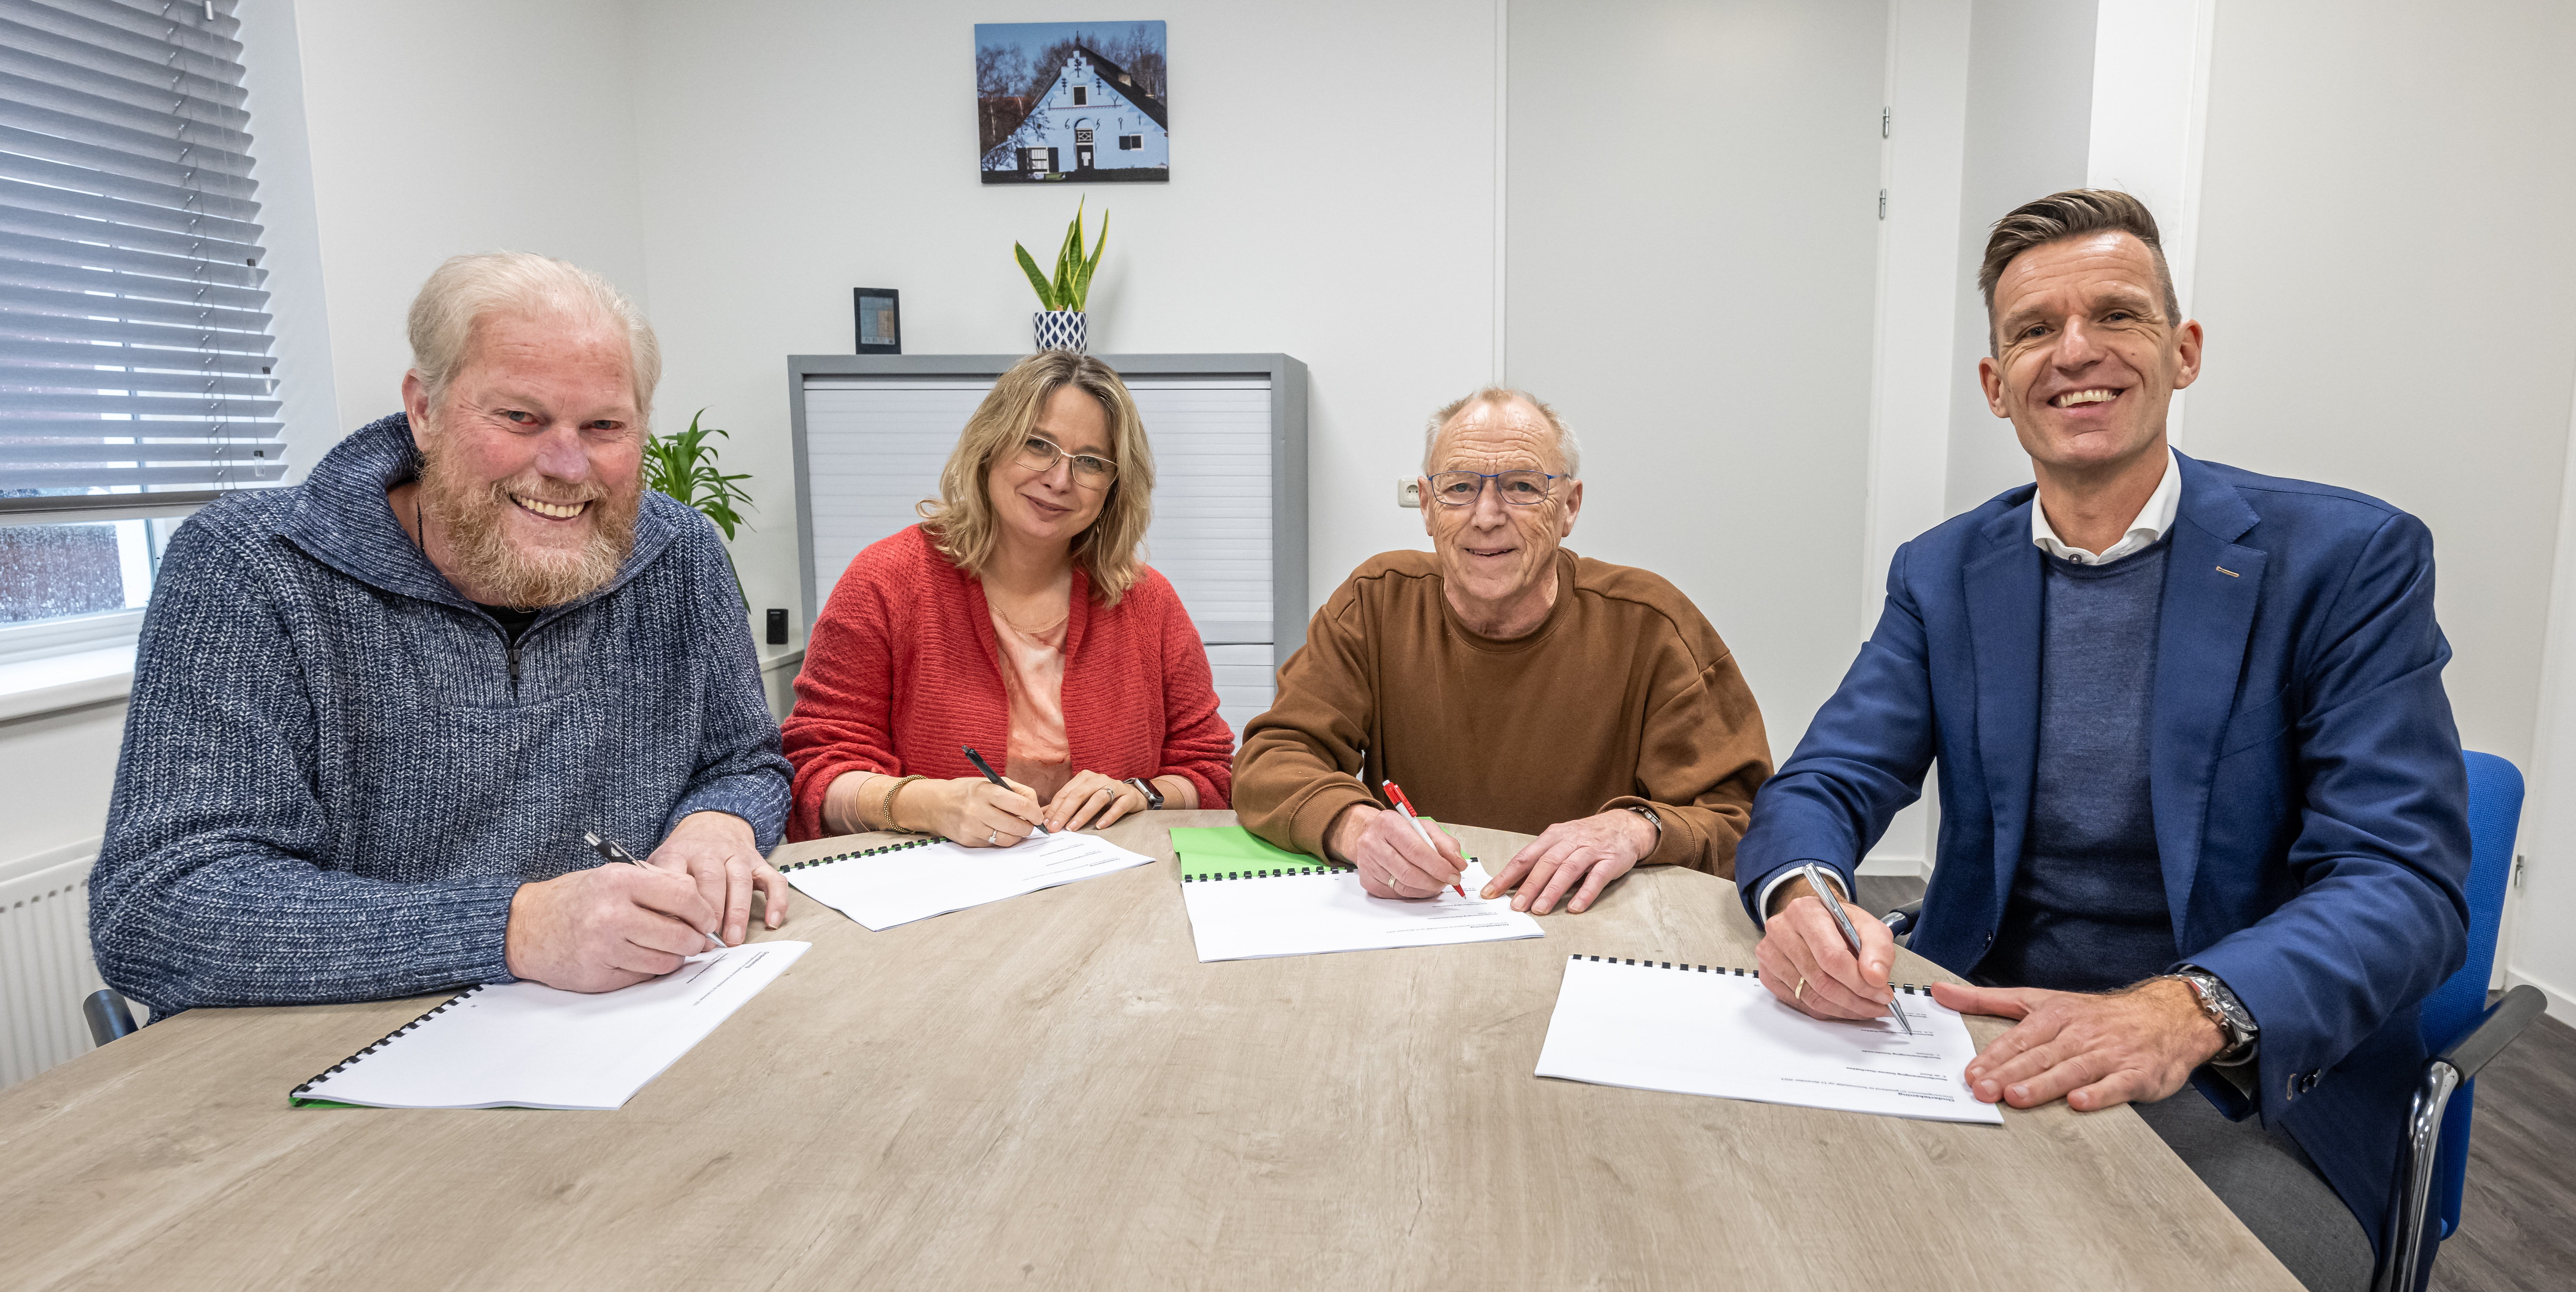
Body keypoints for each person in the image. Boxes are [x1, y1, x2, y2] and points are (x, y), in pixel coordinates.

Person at [1736, 190, 2468, 1289]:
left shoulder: (2346, 560)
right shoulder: (1942, 573)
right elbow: (1827, 780)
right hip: (1978, 1032)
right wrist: (1803, 894)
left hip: (2241, 1075)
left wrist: (2191, 1005)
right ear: (1997, 385)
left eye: (2116, 315)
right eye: (2035, 328)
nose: (2075, 351)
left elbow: (2404, 881)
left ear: (2184, 351)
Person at [89, 252, 794, 1016]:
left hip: (631, 1021)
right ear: (423, 409)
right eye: (520, 417)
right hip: (336, 1051)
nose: (567, 465)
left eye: (604, 426)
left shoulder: (678, 551)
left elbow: (745, 760)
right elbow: (158, 903)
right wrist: (516, 927)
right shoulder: (251, 565)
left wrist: (718, 822)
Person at [1234, 388, 1772, 913]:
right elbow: (1272, 759)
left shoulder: (1652, 625)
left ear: (1569, 507)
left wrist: (1637, 827)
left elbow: (1741, 818)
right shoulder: (1375, 602)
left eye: (1521, 486)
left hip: (1594, 925)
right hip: (1421, 919)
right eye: (1459, 487)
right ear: (1427, 506)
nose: (1487, 515)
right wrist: (1356, 826)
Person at [783, 351, 1231, 846]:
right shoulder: (885, 581)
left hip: (1112, 881)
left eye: (1089, 462)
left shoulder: (1148, 601)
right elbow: (814, 772)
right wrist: (928, 803)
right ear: (990, 444)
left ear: (1114, 485)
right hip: (938, 885)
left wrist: (1142, 793)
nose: (1059, 480)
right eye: (1038, 445)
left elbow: (1210, 771)